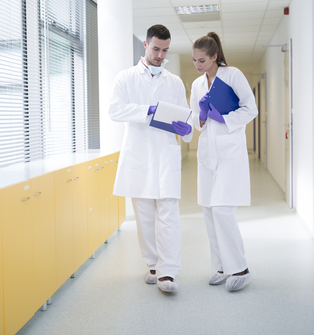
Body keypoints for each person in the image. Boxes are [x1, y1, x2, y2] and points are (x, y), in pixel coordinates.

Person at [109, 24, 193, 293]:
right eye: (156, 48)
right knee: (145, 216)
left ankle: (169, 273)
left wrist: (187, 130)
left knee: (169, 214)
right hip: (140, 157)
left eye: (165, 50)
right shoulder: (126, 78)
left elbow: (186, 117)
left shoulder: (175, 81)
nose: (160, 55)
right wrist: (148, 110)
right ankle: (154, 266)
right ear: (145, 45)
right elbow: (115, 110)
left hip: (167, 155)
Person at [190, 32, 258, 292]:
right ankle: (220, 266)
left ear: (215, 56)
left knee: (222, 209)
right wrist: (204, 117)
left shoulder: (232, 75)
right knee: (208, 209)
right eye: (195, 61)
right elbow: (196, 121)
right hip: (207, 154)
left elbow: (251, 109)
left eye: (203, 61)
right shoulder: (198, 85)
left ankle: (240, 268)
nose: (198, 66)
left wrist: (223, 118)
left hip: (230, 153)